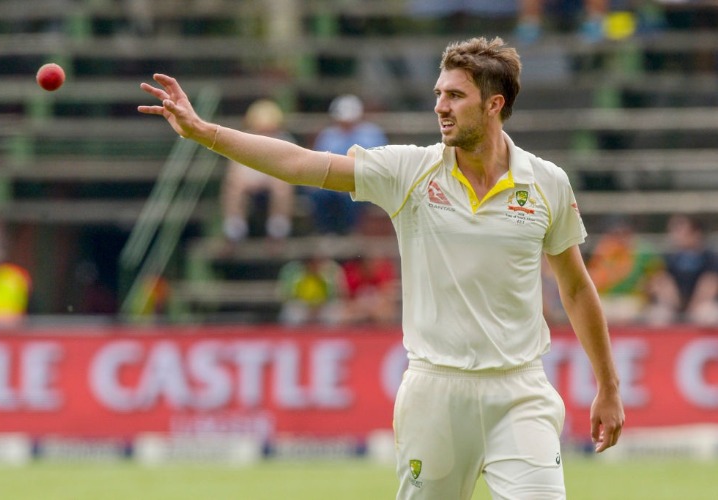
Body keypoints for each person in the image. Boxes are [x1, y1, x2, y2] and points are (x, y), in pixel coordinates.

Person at [138, 36, 624, 498]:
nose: (440, 106)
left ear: (494, 104)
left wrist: (608, 385)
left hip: (522, 392)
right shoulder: (408, 171)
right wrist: (207, 133)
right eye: (438, 93)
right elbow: (300, 164)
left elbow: (576, 289)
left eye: (455, 95)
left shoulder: (547, 183)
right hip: (435, 394)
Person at [218, 99, 296, 249]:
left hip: (276, 182)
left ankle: (278, 231)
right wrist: (250, 183)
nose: (265, 132)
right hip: (250, 185)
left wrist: (268, 181)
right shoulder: (243, 140)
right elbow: (236, 171)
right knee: (234, 185)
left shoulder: (285, 141)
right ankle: (234, 231)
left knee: (282, 186)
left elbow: (289, 171)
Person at [307, 94, 388, 235]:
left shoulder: (372, 133)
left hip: (363, 181)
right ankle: (327, 232)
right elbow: (319, 162)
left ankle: (351, 232)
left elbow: (380, 162)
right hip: (333, 182)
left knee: (351, 198)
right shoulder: (328, 135)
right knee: (319, 196)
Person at [586, 215, 665, 325]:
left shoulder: (643, 251)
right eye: (615, 233)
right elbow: (592, 274)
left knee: (624, 312)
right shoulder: (604, 248)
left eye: (623, 232)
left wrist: (647, 288)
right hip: (605, 299)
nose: (620, 237)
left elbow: (658, 278)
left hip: (633, 299)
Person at [649, 214, 718, 325]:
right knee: (658, 315)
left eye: (680, 231)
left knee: (708, 315)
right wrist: (675, 304)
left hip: (702, 303)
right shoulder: (669, 257)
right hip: (675, 305)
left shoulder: (710, 257)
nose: (675, 236)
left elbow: (710, 284)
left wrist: (692, 308)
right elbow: (662, 282)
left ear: (696, 233)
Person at [276, 252, 346, 326]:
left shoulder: (328, 274)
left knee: (335, 312)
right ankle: (293, 336)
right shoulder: (297, 275)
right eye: (312, 263)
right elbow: (289, 296)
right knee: (292, 312)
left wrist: (319, 305)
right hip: (303, 307)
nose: (314, 266)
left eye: (317, 263)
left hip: (323, 306)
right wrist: (309, 306)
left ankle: (331, 336)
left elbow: (336, 295)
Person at [340, 252, 399, 325]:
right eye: (366, 267)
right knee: (346, 315)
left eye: (371, 265)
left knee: (385, 313)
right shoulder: (353, 278)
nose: (369, 268)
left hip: (376, 309)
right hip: (358, 310)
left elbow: (387, 300)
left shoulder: (381, 276)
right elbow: (347, 302)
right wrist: (363, 308)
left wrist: (373, 309)